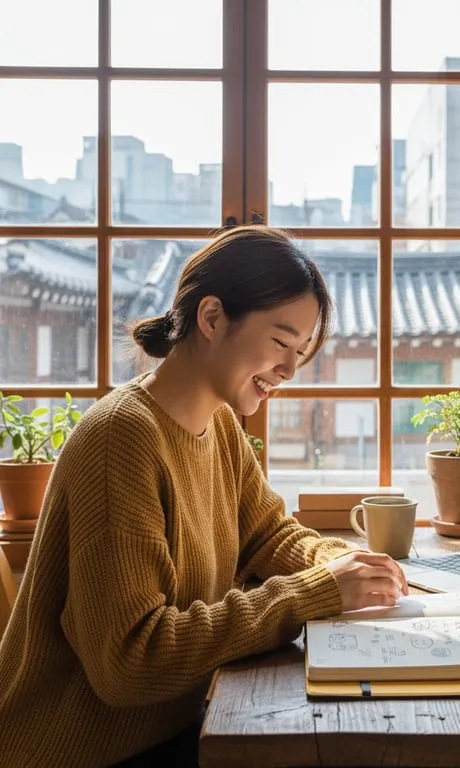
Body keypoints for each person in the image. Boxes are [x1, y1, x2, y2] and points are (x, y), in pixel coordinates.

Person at [0, 226, 408, 767]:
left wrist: (348, 565)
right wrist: (314, 594)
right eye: (281, 343)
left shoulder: (219, 422)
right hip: (85, 749)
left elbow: (266, 534)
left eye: (300, 352)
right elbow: (130, 661)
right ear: (212, 318)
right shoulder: (121, 438)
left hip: (178, 726)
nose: (288, 371)